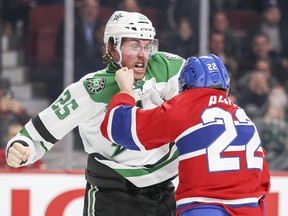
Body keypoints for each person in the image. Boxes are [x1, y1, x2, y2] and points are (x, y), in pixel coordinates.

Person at [5, 11, 186, 215]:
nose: (143, 54)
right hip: (112, 194)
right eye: (134, 46)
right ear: (112, 47)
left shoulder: (170, 69)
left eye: (147, 46)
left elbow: (206, 98)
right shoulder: (92, 89)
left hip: (165, 191)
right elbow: (39, 134)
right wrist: (22, 146)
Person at [101, 54, 271, 216]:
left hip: (204, 207)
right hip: (251, 208)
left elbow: (120, 128)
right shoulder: (243, 118)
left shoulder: (186, 105)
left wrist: (125, 89)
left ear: (187, 84)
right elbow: (263, 180)